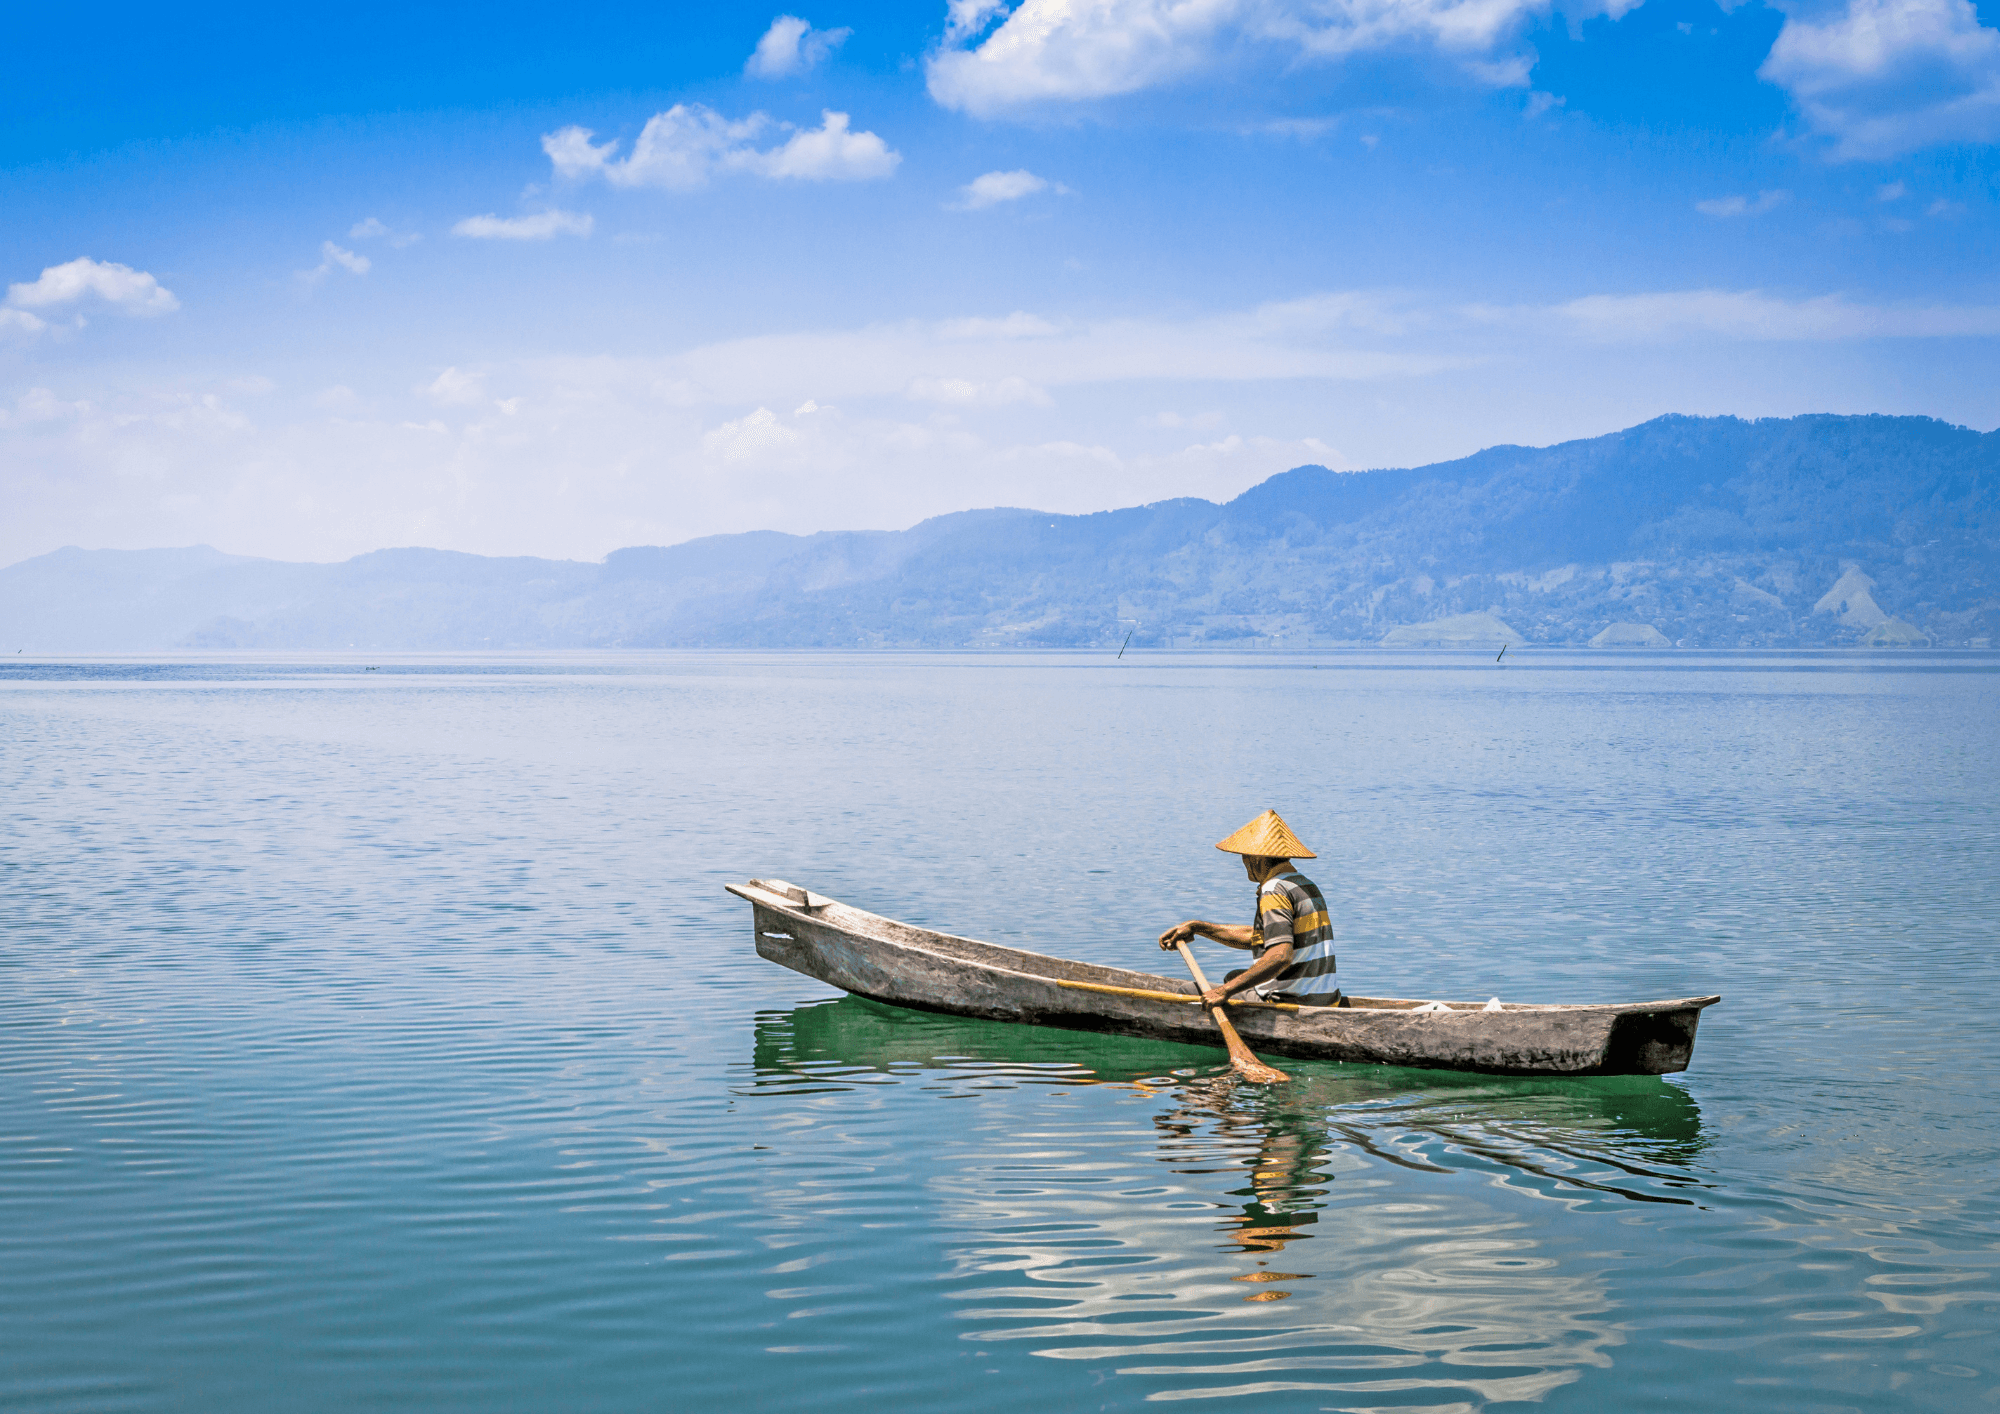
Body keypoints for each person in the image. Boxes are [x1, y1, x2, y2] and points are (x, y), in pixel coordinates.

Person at [1156, 809, 1344, 1008]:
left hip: (1290, 1002)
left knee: (1187, 992)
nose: (1243, 862)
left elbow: (1280, 955)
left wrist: (1223, 991)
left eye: (1245, 856)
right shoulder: (1303, 884)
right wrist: (1198, 927)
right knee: (1233, 976)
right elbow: (1259, 937)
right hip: (1326, 998)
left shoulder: (1273, 889)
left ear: (1257, 858)